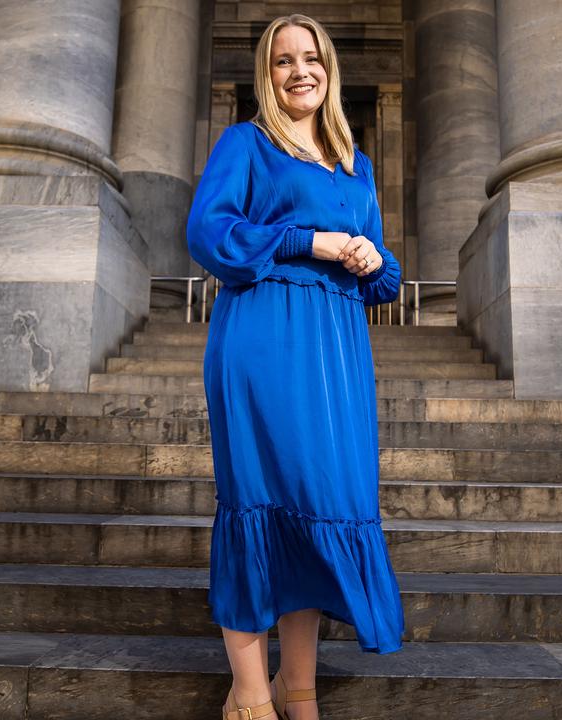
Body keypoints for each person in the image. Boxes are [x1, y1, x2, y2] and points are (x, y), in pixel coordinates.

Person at [185, 12, 406, 720]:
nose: (299, 70)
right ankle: (251, 696)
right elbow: (208, 232)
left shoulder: (356, 165)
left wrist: (376, 256)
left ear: (329, 68)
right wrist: (305, 241)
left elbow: (381, 275)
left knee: (316, 507)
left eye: (311, 58)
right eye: (283, 61)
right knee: (261, 500)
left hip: (336, 349)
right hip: (263, 336)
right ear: (267, 74)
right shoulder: (245, 143)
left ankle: (299, 688)